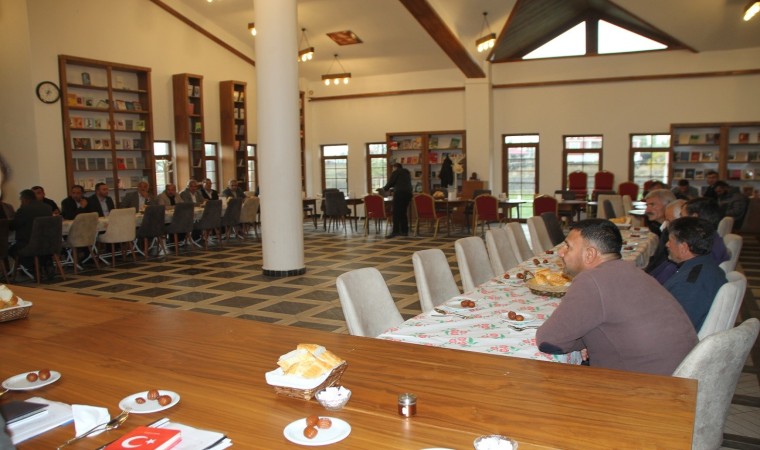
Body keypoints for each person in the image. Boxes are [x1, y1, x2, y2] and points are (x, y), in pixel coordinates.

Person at [536, 219, 697, 376]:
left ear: (590, 254)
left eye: (568, 246)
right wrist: (586, 340)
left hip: (647, 386)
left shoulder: (592, 280)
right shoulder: (633, 271)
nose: (561, 252)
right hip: (681, 377)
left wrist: (583, 341)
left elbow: (549, 341)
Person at [663, 217, 727, 331]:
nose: (667, 244)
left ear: (683, 248)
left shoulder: (688, 284)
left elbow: (676, 328)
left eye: (670, 241)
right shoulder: (708, 265)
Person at [10, 189, 53, 272]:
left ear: (24, 199)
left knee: (12, 250)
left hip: (29, 244)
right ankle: (43, 264)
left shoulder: (23, 210)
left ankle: (33, 267)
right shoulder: (47, 207)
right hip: (47, 244)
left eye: (21, 199)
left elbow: (13, 226)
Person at [382, 163, 412, 238]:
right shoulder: (406, 173)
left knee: (396, 213)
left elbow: (391, 182)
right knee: (403, 212)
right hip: (408, 194)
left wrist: (384, 189)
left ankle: (395, 231)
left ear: (395, 167)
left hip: (400, 194)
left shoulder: (396, 172)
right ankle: (404, 231)